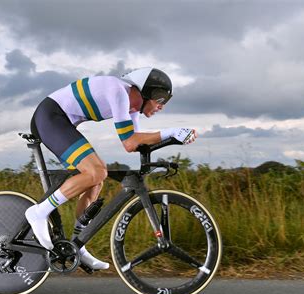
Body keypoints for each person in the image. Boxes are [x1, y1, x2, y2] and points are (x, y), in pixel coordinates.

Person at [26, 67, 197, 270]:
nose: (161, 105)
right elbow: (130, 141)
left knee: (96, 179)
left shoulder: (132, 108)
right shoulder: (119, 92)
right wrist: (171, 132)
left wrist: (171, 140)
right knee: (96, 171)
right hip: (51, 116)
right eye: (160, 98)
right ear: (145, 91)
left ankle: (77, 245)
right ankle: (39, 212)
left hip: (62, 121)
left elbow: (135, 144)